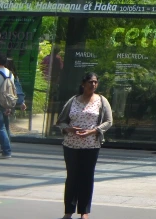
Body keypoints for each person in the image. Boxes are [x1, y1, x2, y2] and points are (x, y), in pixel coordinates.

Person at [55, 72, 113, 219]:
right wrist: (69, 129)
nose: (93, 85)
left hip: (91, 145)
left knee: (86, 177)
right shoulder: (73, 100)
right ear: (83, 84)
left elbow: (108, 121)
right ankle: (68, 211)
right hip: (71, 145)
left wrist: (94, 131)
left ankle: (84, 211)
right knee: (72, 177)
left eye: (95, 82)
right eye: (90, 82)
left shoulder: (101, 100)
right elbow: (61, 121)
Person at [0, 54, 14, 159]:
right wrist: (9, 107)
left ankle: (6, 151)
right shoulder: (10, 74)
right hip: (5, 104)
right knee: (1, 126)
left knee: (0, 128)